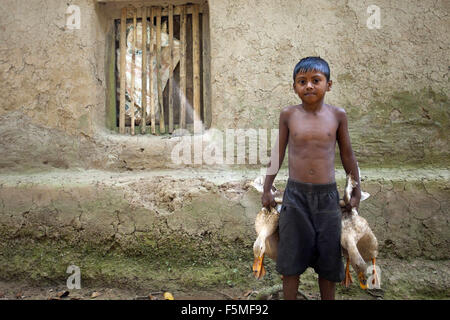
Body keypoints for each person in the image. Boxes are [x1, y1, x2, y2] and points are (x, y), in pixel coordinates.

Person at [261, 56, 361, 300]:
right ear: (294, 87)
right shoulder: (289, 115)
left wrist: (356, 188)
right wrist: (267, 188)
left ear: (328, 85)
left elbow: (348, 154)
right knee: (290, 256)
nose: (308, 86)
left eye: (316, 80)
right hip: (295, 198)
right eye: (301, 81)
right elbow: (278, 152)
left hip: (327, 198)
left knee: (329, 257)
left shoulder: (338, 116)